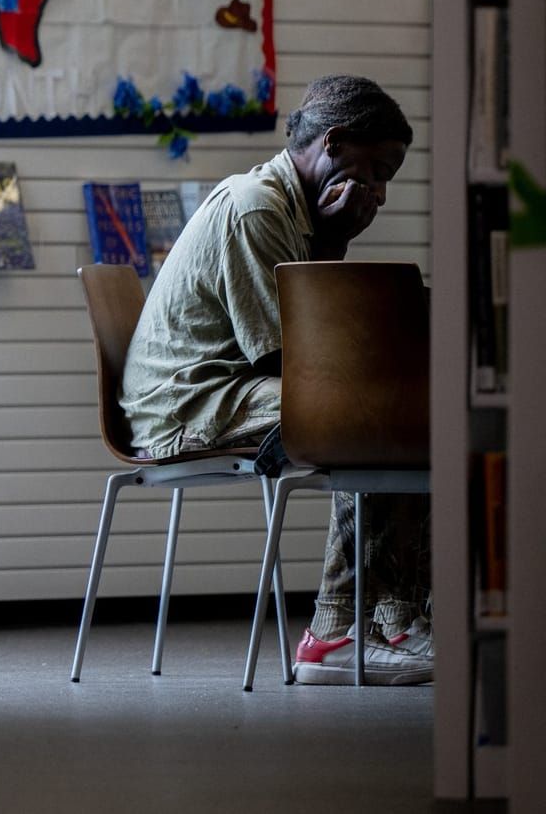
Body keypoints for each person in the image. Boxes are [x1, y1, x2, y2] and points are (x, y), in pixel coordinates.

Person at [119, 75, 431, 685]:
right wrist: (336, 239)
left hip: (226, 386)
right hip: (188, 403)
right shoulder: (256, 206)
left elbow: (306, 342)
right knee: (364, 420)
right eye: (378, 169)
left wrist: (335, 235)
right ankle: (334, 634)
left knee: (400, 413)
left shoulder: (294, 207)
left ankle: (392, 620)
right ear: (335, 143)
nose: (382, 192)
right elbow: (291, 358)